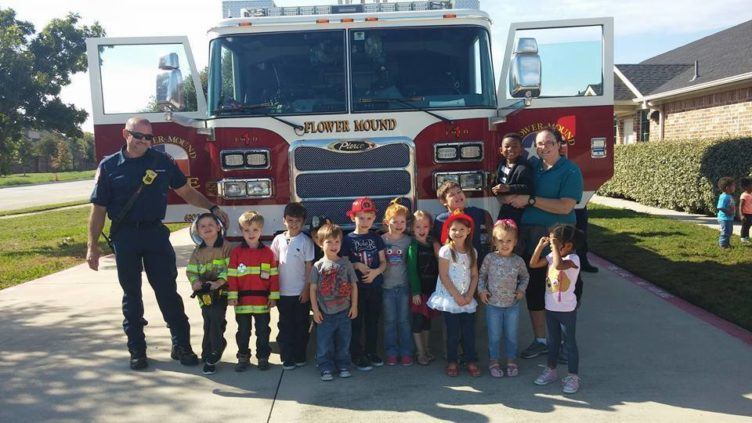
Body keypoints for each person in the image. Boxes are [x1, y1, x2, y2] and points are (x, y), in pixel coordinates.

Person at [87, 117, 228, 371]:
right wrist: (92, 245)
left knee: (167, 292)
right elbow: (98, 209)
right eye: (137, 135)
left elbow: (186, 192)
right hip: (126, 237)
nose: (143, 141)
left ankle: (181, 345)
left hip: (154, 234)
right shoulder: (108, 166)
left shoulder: (161, 162)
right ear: (125, 134)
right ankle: (137, 349)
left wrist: (212, 207)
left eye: (148, 137)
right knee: (132, 295)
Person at [506, 127, 583, 360]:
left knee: (560, 289)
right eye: (539, 143)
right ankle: (540, 340)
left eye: (549, 142)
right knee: (535, 289)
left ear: (559, 144)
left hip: (559, 237)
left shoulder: (570, 170)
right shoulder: (533, 168)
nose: (544, 147)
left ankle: (561, 343)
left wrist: (530, 200)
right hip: (532, 237)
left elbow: (565, 206)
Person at [529, 224, 583, 394]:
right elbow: (533, 263)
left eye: (556, 241)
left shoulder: (574, 260)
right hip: (551, 307)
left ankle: (573, 376)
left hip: (567, 310)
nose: (552, 243)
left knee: (569, 342)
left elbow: (559, 266)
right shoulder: (553, 255)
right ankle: (551, 370)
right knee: (553, 341)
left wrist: (553, 247)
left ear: (568, 245)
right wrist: (541, 246)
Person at [427, 212, 480, 377]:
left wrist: (470, 295)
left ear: (469, 230)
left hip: (466, 299)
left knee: (469, 333)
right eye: (454, 229)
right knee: (452, 333)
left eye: (462, 229)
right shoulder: (446, 251)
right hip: (451, 299)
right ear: (448, 231)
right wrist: (457, 296)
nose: (458, 232)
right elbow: (444, 275)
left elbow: (474, 275)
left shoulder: (472, 252)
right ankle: (452, 361)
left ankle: (470, 360)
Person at [227, 211, 279, 372]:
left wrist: (274, 296)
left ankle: (263, 357)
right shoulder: (236, 253)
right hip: (242, 303)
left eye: (255, 230)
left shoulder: (268, 253)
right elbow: (232, 276)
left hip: (262, 302)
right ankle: (243, 357)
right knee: (243, 332)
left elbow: (274, 277)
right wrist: (233, 296)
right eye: (247, 230)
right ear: (241, 231)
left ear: (261, 230)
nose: (251, 234)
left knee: (263, 331)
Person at [478, 219, 529, 378]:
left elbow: (525, 277)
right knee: (494, 335)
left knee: (511, 335)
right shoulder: (490, 259)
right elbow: (481, 276)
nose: (505, 244)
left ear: (515, 242)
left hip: (512, 305)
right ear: (494, 241)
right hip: (493, 305)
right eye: (500, 240)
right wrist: (482, 290)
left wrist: (521, 290)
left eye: (509, 241)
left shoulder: (518, 261)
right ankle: (494, 361)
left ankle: (511, 361)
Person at [342, 197, 387, 371]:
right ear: (353, 217)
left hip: (374, 287)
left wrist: (376, 272)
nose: (365, 221)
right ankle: (356, 354)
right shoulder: (347, 240)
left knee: (373, 321)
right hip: (356, 290)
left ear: (374, 218)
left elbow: (384, 262)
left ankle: (371, 351)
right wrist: (356, 265)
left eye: (369, 218)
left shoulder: (377, 239)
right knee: (356, 322)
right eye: (361, 217)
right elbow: (344, 263)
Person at [310, 224, 359, 381]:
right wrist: (315, 311)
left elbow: (354, 285)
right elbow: (313, 290)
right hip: (325, 314)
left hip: (344, 311)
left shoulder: (346, 263)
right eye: (329, 242)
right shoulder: (318, 266)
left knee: (344, 341)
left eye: (337, 241)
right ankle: (325, 367)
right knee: (324, 343)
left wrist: (354, 306)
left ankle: (343, 365)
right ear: (320, 243)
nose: (333, 245)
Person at [186, 213, 233, 375]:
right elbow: (191, 271)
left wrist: (219, 282)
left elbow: (231, 269)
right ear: (197, 231)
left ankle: (215, 352)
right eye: (202, 226)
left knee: (215, 318)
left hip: (221, 292)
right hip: (204, 294)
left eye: (210, 225)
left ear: (219, 228)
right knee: (208, 321)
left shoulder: (227, 247)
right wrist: (195, 282)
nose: (207, 228)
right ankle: (207, 352)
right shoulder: (197, 252)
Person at [271, 202, 315, 370]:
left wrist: (306, 290)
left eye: (297, 221)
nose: (293, 224)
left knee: (301, 325)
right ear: (284, 220)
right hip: (283, 293)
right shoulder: (277, 240)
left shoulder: (306, 241)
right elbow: (273, 265)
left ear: (303, 222)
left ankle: (299, 355)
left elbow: (309, 267)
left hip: (299, 293)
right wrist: (273, 290)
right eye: (290, 220)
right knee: (285, 325)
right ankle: (287, 356)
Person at [380, 199, 414, 366]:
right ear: (387, 222)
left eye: (402, 221)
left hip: (403, 286)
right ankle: (391, 352)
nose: (399, 224)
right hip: (386, 287)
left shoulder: (408, 241)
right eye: (395, 221)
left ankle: (406, 352)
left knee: (404, 321)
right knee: (389, 322)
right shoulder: (381, 240)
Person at [433, 181, 493, 265]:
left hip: (476, 262)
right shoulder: (440, 219)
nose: (457, 196)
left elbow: (488, 220)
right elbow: (436, 239)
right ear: (443, 201)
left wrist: (492, 237)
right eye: (452, 195)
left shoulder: (476, 212)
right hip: (454, 265)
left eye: (459, 192)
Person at [408, 210, 439, 366]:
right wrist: (415, 291)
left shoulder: (433, 243)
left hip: (431, 290)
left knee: (427, 321)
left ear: (430, 227)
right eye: (418, 226)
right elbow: (412, 270)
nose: (421, 230)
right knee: (418, 321)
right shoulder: (413, 247)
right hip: (419, 292)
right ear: (412, 228)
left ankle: (426, 349)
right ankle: (420, 352)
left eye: (425, 226)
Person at [491, 133, 533, 227]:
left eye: (515, 146)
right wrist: (495, 191)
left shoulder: (524, 167)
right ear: (501, 150)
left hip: (520, 212)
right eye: (507, 146)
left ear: (521, 150)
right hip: (505, 210)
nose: (510, 149)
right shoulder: (500, 165)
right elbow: (494, 184)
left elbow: (528, 187)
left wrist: (509, 188)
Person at [717, 177, 736, 249]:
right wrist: (729, 212)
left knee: (729, 231)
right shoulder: (724, 196)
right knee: (725, 232)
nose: (734, 187)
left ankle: (727, 243)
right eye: (733, 186)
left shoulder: (729, 196)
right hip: (724, 218)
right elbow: (720, 207)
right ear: (728, 188)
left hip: (729, 218)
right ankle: (723, 245)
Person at [740, 177, 752, 244]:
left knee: (748, 226)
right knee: (745, 227)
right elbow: (740, 206)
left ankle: (746, 238)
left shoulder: (751, 194)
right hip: (746, 214)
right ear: (746, 187)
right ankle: (743, 239)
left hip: (751, 214)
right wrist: (741, 215)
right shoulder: (744, 195)